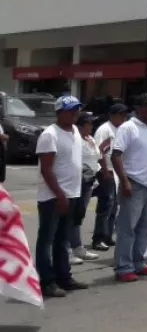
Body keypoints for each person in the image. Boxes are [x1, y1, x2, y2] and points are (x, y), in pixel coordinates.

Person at [111, 93, 147, 283]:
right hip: (134, 184)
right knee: (127, 228)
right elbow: (116, 155)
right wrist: (125, 181)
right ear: (138, 107)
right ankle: (123, 267)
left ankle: (138, 262)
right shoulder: (128, 128)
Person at [35, 96, 88, 297]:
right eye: (71, 110)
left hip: (73, 194)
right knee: (47, 240)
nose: (75, 113)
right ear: (59, 112)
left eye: (77, 109)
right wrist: (59, 195)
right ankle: (46, 282)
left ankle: (64, 277)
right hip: (53, 197)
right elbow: (47, 170)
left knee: (63, 240)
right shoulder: (49, 135)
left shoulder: (75, 130)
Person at [90, 103, 126, 251]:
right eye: (121, 115)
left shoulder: (120, 129)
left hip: (116, 172)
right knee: (105, 205)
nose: (123, 118)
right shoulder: (105, 130)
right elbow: (99, 151)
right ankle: (98, 238)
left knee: (113, 205)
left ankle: (108, 235)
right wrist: (104, 171)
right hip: (107, 171)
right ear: (113, 115)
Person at [70, 111, 104, 263]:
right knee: (71, 216)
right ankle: (68, 250)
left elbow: (98, 157)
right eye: (89, 123)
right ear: (81, 125)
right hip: (77, 182)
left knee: (79, 216)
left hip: (89, 181)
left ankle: (78, 247)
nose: (92, 126)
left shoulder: (90, 139)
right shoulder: (75, 140)